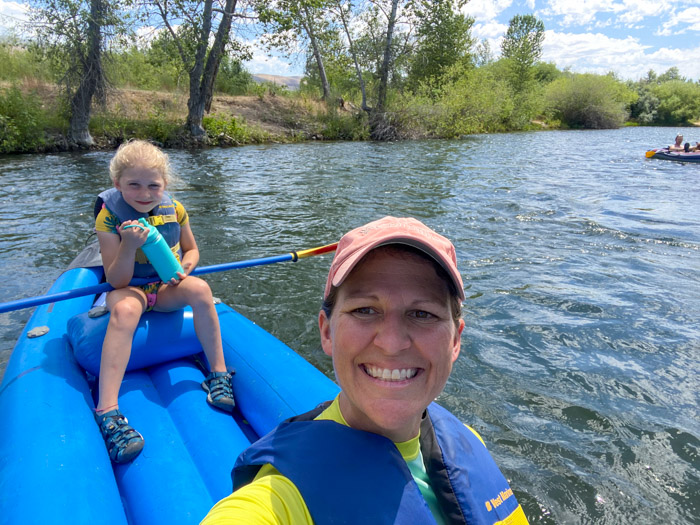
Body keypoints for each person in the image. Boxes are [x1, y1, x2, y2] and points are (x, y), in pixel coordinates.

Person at [202, 216, 529, 524]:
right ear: (327, 332)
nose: (391, 342)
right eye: (365, 310)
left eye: (422, 313)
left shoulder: (469, 441)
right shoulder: (277, 500)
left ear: (455, 340)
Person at [94, 140, 234, 464]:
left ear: (164, 185)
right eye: (134, 185)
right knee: (126, 309)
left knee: (200, 289)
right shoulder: (109, 219)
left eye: (153, 185)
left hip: (167, 285)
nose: (144, 193)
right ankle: (108, 410)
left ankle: (219, 374)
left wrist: (185, 268)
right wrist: (128, 245)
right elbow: (116, 279)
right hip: (130, 287)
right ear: (117, 184)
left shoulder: (176, 209)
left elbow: (192, 250)